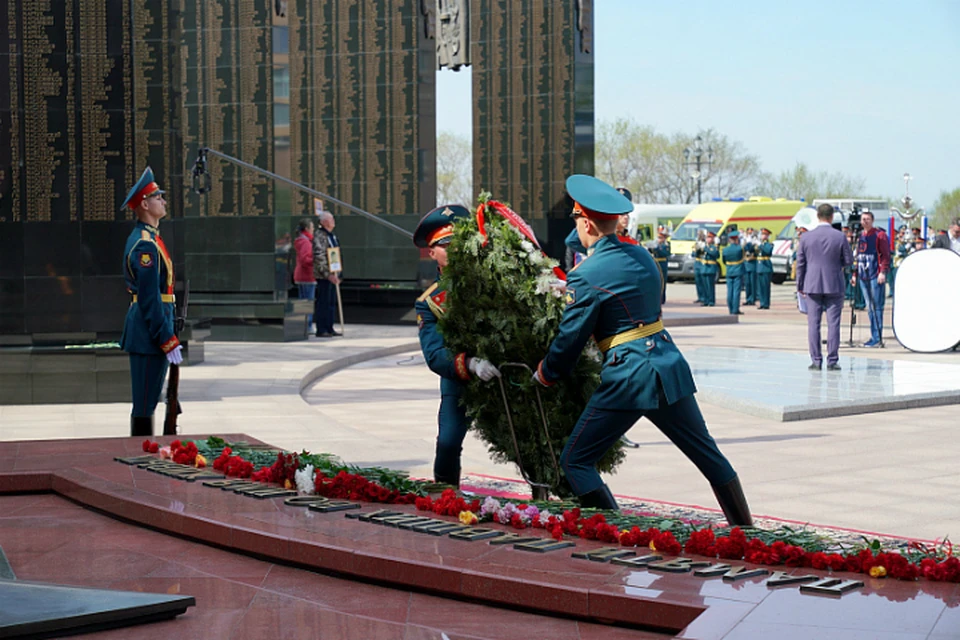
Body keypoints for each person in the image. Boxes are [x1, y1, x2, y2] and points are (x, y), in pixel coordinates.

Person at [531, 175, 751, 525]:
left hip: (629, 374)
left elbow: (571, 336)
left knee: (575, 460)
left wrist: (546, 373)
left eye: (577, 220)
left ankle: (615, 535)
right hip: (667, 365)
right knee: (709, 456)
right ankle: (747, 531)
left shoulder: (586, 274)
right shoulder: (642, 255)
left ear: (586, 222)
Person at [413, 205, 500, 487]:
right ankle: (445, 495)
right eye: (445, 245)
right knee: (448, 442)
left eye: (459, 244)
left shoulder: (493, 282)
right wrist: (471, 363)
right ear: (432, 252)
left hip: (503, 373)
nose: (454, 250)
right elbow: (435, 356)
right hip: (460, 381)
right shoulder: (429, 303)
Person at [120, 167, 181, 437]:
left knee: (151, 399)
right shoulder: (145, 245)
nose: (163, 201)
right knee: (144, 404)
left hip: (153, 329)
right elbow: (149, 298)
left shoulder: (152, 238)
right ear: (145, 204)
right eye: (158, 197)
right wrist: (165, 338)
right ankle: (140, 458)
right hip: (148, 333)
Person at [796, 204, 853, 370]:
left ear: (817, 216)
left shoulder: (806, 237)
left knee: (813, 324)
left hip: (812, 284)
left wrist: (800, 284)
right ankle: (832, 360)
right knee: (833, 323)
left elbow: (800, 263)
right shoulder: (839, 236)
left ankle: (816, 360)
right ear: (831, 217)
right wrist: (836, 265)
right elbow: (848, 260)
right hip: (834, 283)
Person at [852, 210, 890, 348]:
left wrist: (883, 272)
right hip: (863, 275)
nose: (865, 221)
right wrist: (855, 274)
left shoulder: (879, 235)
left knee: (876, 306)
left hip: (875, 274)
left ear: (872, 220)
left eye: (867, 219)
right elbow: (858, 256)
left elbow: (886, 255)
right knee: (869, 307)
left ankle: (877, 336)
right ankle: (873, 335)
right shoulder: (860, 236)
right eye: (863, 219)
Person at [312, 211, 341, 337]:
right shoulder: (319, 236)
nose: (333, 221)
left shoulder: (331, 236)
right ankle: (322, 328)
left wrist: (337, 272)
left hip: (333, 274)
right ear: (324, 222)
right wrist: (328, 274)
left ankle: (329, 327)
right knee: (323, 302)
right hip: (324, 276)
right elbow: (319, 256)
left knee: (330, 302)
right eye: (330, 219)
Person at [293, 218, 316, 332]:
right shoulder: (306, 242)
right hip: (306, 276)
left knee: (303, 301)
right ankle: (307, 326)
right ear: (307, 229)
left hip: (302, 276)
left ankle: (303, 325)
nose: (313, 229)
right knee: (307, 302)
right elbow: (305, 259)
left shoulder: (301, 240)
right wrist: (316, 259)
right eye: (312, 227)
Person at [722, 229, 744, 315]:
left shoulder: (725, 250)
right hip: (738, 270)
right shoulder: (739, 249)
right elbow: (742, 258)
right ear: (736, 239)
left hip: (729, 270)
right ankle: (735, 309)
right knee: (736, 291)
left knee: (729, 291)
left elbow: (724, 261)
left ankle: (730, 309)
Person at [755, 227, 774, 309]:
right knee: (760, 287)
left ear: (767, 236)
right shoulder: (760, 244)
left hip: (766, 267)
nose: (763, 236)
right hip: (759, 267)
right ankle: (762, 303)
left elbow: (768, 251)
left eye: (764, 234)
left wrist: (760, 245)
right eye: (762, 234)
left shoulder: (769, 244)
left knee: (766, 287)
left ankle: (766, 303)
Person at [652, 229, 671, 304]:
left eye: (660, 238)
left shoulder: (666, 245)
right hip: (656, 263)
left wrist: (657, 249)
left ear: (664, 238)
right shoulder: (656, 244)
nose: (659, 239)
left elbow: (665, 253)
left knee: (663, 282)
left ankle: (662, 298)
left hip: (663, 264)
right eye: (658, 238)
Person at [701, 230, 720, 307]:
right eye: (707, 237)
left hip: (711, 268)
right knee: (704, 286)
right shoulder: (704, 246)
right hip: (704, 268)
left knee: (710, 286)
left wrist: (705, 249)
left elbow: (715, 254)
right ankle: (706, 300)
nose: (708, 239)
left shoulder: (714, 247)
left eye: (709, 237)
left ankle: (711, 301)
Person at [742, 227, 758, 306]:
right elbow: (743, 250)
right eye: (748, 233)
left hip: (753, 263)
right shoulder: (745, 241)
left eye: (751, 233)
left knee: (752, 283)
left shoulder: (755, 242)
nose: (749, 234)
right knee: (747, 283)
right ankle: (748, 298)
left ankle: (752, 299)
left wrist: (751, 243)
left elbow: (755, 251)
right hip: (746, 264)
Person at [693, 230, 707, 306]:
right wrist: (696, 250)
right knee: (698, 281)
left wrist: (701, 249)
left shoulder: (706, 243)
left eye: (700, 235)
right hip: (697, 262)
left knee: (703, 280)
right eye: (698, 234)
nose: (699, 236)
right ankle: (700, 296)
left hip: (702, 262)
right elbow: (693, 253)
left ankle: (704, 297)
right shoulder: (697, 243)